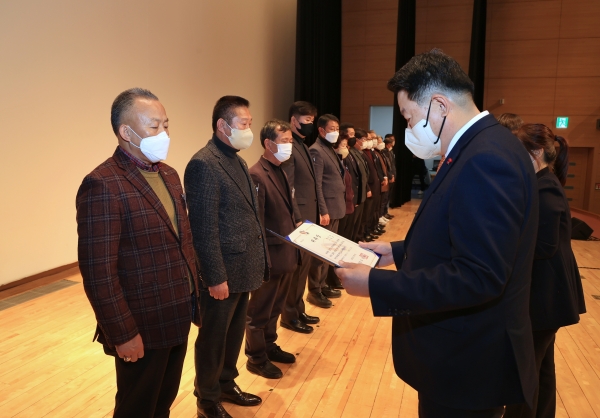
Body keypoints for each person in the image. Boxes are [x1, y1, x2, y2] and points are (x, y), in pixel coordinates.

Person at [335, 49, 539, 417]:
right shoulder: (483, 145)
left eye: (409, 116)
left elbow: (479, 276)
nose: (409, 127)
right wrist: (398, 251)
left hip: (466, 364)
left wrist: (375, 285)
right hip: (462, 357)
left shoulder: (486, 158)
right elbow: (461, 233)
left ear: (440, 106)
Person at [76, 88, 200, 418]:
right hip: (141, 324)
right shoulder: (102, 184)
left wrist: (196, 300)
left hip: (177, 313)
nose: (164, 134)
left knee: (163, 402)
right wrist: (123, 333)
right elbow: (98, 272)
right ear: (126, 133)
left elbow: (183, 242)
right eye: (154, 126)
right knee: (137, 407)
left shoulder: (169, 175)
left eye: (166, 125)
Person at [184, 96, 266, 418]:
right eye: (244, 123)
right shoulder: (204, 163)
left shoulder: (238, 161)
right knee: (213, 338)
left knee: (233, 334)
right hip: (222, 273)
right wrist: (215, 277)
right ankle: (207, 398)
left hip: (242, 267)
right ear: (223, 125)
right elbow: (203, 228)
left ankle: (226, 383)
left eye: (250, 123)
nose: (249, 129)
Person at [504, 124, 586, 418]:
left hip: (546, 297)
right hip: (547, 296)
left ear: (536, 152)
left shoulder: (546, 189)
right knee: (541, 368)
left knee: (524, 373)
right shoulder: (541, 183)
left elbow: (544, 245)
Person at [245, 120, 299, 379]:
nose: (289, 146)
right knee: (259, 312)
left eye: (290, 141)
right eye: (285, 141)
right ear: (268, 144)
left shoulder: (281, 170)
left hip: (286, 252)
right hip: (269, 256)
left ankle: (269, 346)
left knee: (275, 307)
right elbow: (256, 223)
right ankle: (256, 358)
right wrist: (262, 261)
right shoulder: (257, 174)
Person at [280, 101, 321, 334]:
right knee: (296, 271)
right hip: (299, 218)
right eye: (307, 120)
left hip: (308, 215)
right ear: (294, 121)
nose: (310, 124)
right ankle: (289, 315)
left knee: (304, 267)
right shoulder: (290, 147)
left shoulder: (303, 145)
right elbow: (289, 187)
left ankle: (299, 308)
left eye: (312, 121)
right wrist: (296, 217)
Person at [307, 114, 346, 308]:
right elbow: (317, 184)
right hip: (327, 210)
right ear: (321, 130)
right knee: (320, 254)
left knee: (329, 252)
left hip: (336, 207)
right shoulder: (316, 150)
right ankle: (314, 291)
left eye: (337, 129)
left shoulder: (329, 148)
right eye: (332, 129)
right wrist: (322, 210)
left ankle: (322, 285)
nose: (335, 132)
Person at [381, 134, 396, 219]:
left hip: (392, 176)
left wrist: (393, 175)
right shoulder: (384, 152)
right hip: (388, 177)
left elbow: (392, 165)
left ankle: (385, 212)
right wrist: (390, 176)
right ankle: (382, 214)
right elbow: (386, 166)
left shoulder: (391, 152)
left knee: (388, 197)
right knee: (384, 197)